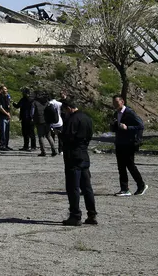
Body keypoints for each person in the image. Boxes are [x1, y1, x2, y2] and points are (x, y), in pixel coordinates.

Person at [59, 97, 98, 226]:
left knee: (73, 187)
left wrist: (60, 134)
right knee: (87, 187)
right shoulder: (87, 118)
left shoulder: (72, 120)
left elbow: (68, 137)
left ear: (69, 108)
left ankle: (75, 215)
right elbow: (90, 135)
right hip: (84, 154)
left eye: (65, 110)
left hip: (73, 156)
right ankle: (92, 214)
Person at [111, 95, 147, 197]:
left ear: (122, 102)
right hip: (119, 142)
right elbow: (116, 128)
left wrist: (128, 128)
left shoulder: (129, 112)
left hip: (129, 143)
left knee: (130, 165)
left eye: (116, 102)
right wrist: (113, 125)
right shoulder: (116, 113)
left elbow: (140, 126)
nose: (115, 104)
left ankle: (141, 185)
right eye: (113, 103)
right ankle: (124, 189)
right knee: (121, 167)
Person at [33, 92, 55, 157]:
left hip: (39, 121)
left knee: (41, 137)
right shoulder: (48, 103)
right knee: (49, 136)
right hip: (47, 121)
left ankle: (43, 151)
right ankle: (54, 150)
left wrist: (33, 118)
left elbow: (32, 112)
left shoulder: (35, 103)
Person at [0, 86, 12, 151]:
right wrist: (6, 113)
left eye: (6, 89)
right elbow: (0, 108)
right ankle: (2, 145)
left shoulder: (7, 97)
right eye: (4, 89)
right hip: (2, 116)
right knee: (3, 131)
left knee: (7, 132)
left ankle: (6, 145)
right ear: (1, 90)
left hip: (7, 117)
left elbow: (9, 106)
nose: (6, 90)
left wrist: (9, 114)